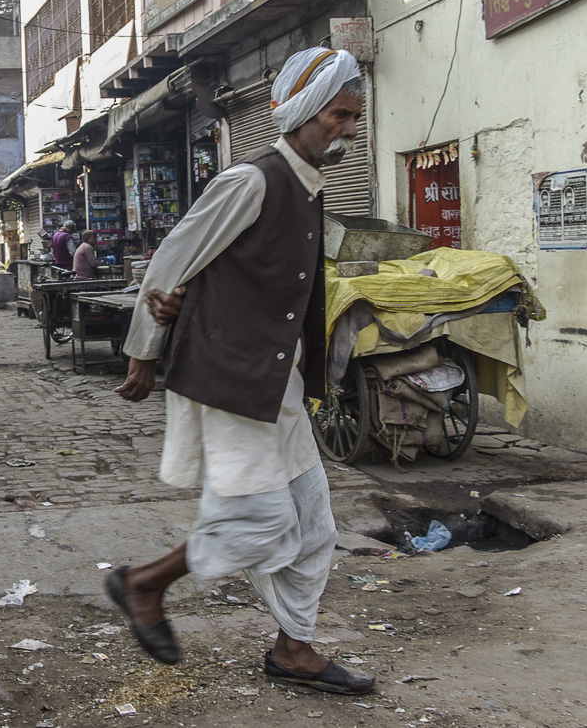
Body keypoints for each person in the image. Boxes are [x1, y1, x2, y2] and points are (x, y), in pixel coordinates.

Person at [106, 46, 375, 696]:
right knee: (260, 522)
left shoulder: (308, 187)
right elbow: (173, 261)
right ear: (305, 111)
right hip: (231, 381)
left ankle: (293, 649)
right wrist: (143, 353)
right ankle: (144, 584)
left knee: (314, 526)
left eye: (354, 117)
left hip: (277, 388)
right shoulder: (252, 181)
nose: (348, 129)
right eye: (339, 116)